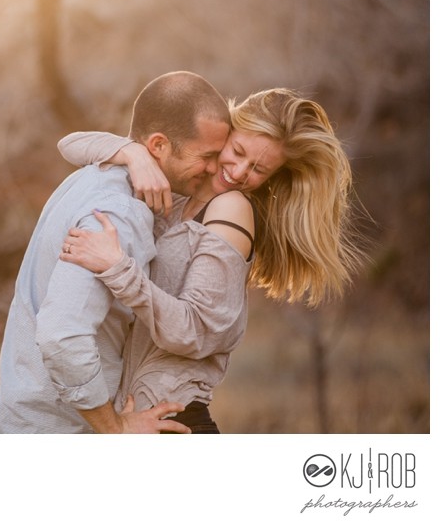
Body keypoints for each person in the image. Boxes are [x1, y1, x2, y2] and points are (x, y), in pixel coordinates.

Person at [57, 88, 367, 432]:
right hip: (137, 424)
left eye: (258, 170)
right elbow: (70, 145)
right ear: (228, 130)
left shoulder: (231, 209)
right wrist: (134, 154)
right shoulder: (180, 188)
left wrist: (118, 269)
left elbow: (195, 330)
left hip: (176, 423)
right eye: (237, 151)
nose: (238, 172)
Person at [0, 71, 231, 433]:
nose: (216, 169)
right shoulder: (120, 212)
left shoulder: (93, 175)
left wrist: (132, 152)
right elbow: (61, 335)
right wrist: (115, 428)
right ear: (159, 145)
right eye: (207, 156)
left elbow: (72, 144)